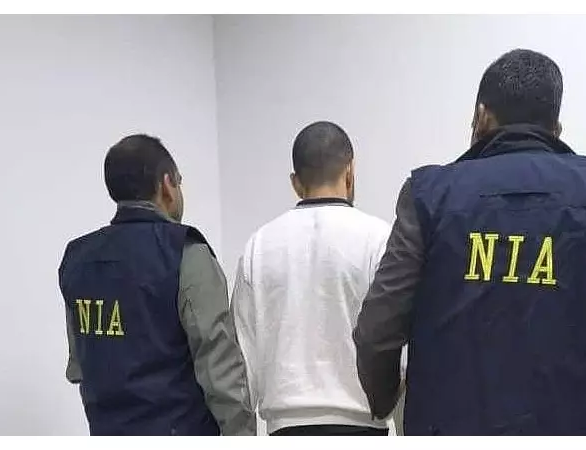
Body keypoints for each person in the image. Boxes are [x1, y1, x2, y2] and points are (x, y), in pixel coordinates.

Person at [353, 49, 586, 436]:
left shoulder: (429, 196)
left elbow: (377, 330)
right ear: (556, 128)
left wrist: (384, 399)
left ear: (481, 116)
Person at [58, 134, 256, 436]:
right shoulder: (186, 253)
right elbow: (221, 371)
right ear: (167, 185)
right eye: (179, 181)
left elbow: (80, 366)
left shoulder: (77, 259)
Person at [231, 121, 392, 436]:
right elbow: (396, 347)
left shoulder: (259, 245)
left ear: (295, 182)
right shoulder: (379, 239)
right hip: (362, 426)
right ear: (350, 171)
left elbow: (242, 361)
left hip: (284, 429)